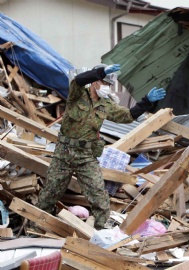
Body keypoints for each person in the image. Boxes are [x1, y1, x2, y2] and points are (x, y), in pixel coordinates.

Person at [36, 64, 166, 230]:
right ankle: (38, 226)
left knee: (98, 194)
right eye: (104, 83)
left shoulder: (106, 104)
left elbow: (127, 116)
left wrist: (146, 102)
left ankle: (101, 230)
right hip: (64, 152)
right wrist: (101, 72)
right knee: (50, 192)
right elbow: (78, 80)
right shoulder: (78, 94)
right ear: (96, 82)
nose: (106, 87)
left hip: (86, 155)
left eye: (109, 85)